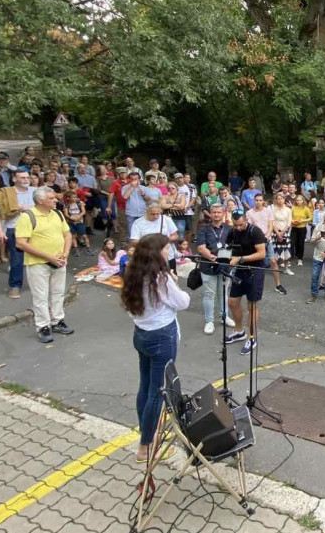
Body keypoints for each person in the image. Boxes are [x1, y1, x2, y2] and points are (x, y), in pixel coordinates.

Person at [120, 233, 189, 464]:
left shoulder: (132, 272)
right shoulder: (160, 278)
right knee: (157, 393)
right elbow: (182, 302)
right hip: (161, 336)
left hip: (141, 334)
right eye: (166, 249)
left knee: (146, 387)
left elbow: (132, 308)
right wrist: (175, 283)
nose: (169, 252)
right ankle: (146, 446)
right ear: (156, 253)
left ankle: (147, 433)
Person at [14, 187, 73, 343]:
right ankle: (43, 326)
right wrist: (49, 257)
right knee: (40, 296)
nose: (56, 200)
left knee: (58, 293)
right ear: (40, 201)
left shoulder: (58, 214)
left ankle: (57, 321)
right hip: (38, 264)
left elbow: (67, 235)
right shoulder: (28, 217)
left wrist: (65, 254)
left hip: (59, 261)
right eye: (51, 198)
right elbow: (20, 243)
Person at [224, 209, 267, 355]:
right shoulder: (232, 232)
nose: (238, 228)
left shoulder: (255, 231)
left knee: (252, 305)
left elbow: (262, 253)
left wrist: (240, 258)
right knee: (232, 302)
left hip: (255, 270)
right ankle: (238, 331)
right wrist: (222, 258)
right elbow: (228, 248)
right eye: (235, 225)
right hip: (240, 270)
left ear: (246, 221)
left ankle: (252, 337)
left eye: (241, 225)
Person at [195, 204, 235, 335]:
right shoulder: (204, 229)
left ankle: (224, 316)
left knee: (223, 293)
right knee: (209, 294)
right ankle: (209, 321)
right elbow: (201, 248)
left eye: (219, 212)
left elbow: (234, 247)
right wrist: (214, 259)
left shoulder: (229, 229)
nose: (216, 215)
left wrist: (229, 260)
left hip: (226, 267)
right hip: (208, 266)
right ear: (210, 214)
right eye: (214, 212)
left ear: (223, 213)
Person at [246, 193, 287, 295]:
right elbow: (250, 227)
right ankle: (251, 284)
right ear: (254, 201)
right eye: (256, 200)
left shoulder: (268, 211)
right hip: (255, 241)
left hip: (267, 239)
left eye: (260, 200)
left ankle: (278, 285)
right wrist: (259, 240)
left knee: (273, 261)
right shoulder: (249, 213)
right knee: (254, 262)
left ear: (263, 201)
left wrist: (266, 238)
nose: (258, 202)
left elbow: (270, 226)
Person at [122, 171, 160, 243]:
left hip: (142, 212)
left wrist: (143, 195)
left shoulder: (144, 188)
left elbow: (148, 199)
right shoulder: (125, 187)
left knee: (144, 231)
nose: (134, 181)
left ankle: (143, 247)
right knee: (131, 232)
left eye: (136, 179)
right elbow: (125, 197)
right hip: (131, 213)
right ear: (129, 179)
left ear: (139, 179)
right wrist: (132, 187)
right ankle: (132, 249)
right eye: (132, 179)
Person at [290, 195, 311, 266]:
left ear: (303, 201)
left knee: (301, 243)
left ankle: (300, 258)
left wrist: (303, 220)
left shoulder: (306, 209)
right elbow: (289, 216)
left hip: (302, 228)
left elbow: (310, 218)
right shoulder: (293, 208)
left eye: (300, 200)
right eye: (297, 200)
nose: (299, 201)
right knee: (292, 242)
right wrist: (292, 220)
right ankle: (293, 255)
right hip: (294, 227)